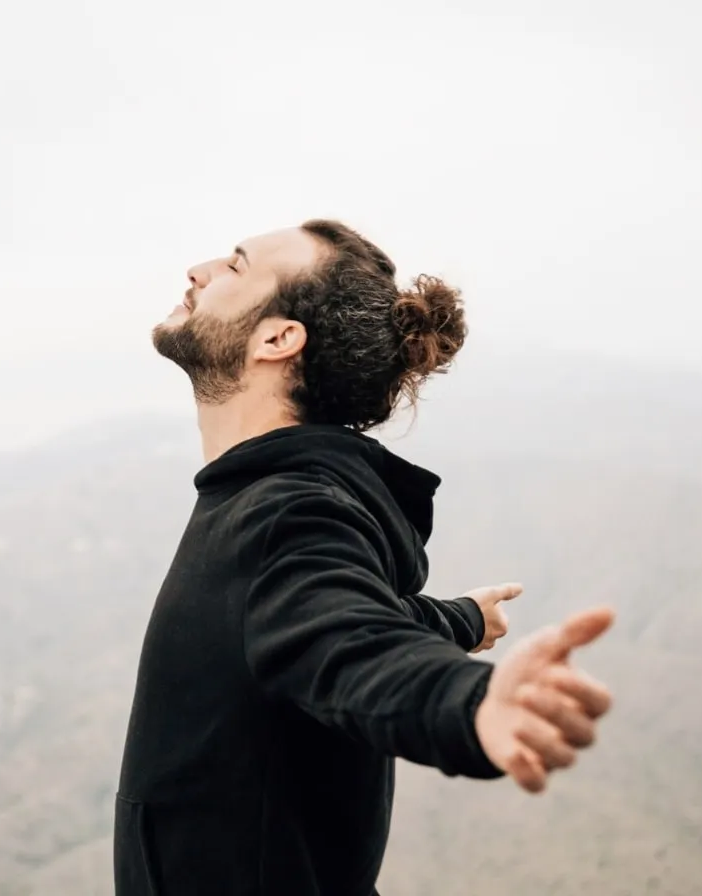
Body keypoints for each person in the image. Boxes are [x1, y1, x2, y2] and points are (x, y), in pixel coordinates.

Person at [114, 219, 615, 895]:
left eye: (235, 265)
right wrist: (459, 620)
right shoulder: (288, 500)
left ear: (278, 338)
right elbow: (312, 618)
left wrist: (471, 704)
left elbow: (349, 643)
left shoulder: (283, 515)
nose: (199, 269)